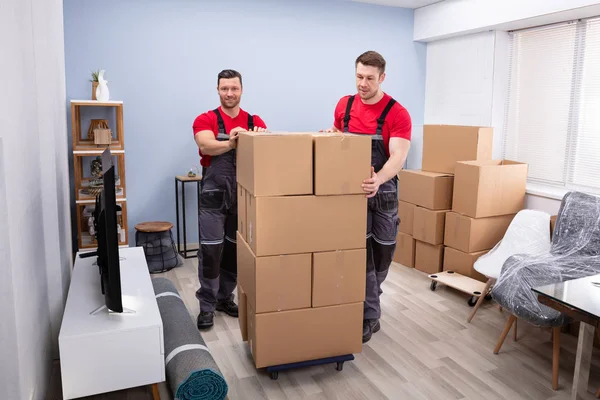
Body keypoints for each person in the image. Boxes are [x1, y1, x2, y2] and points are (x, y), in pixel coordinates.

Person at [325, 51, 411, 343]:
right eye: (359, 76)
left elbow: (399, 155)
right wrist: (332, 135)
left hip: (383, 192)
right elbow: (341, 138)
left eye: (370, 78)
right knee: (361, 257)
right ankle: (369, 315)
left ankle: (369, 297)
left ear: (382, 78)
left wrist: (379, 179)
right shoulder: (344, 105)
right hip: (352, 194)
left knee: (382, 255)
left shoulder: (396, 113)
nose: (363, 84)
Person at [192, 69, 267, 329]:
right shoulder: (206, 119)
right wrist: (233, 143)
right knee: (211, 251)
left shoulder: (254, 120)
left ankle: (225, 298)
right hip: (214, 197)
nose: (229, 93)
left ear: (241, 90)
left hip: (242, 198)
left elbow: (266, 153)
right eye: (224, 88)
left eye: (234, 88)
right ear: (217, 90)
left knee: (234, 251)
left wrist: (257, 137)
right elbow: (205, 145)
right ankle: (207, 305)